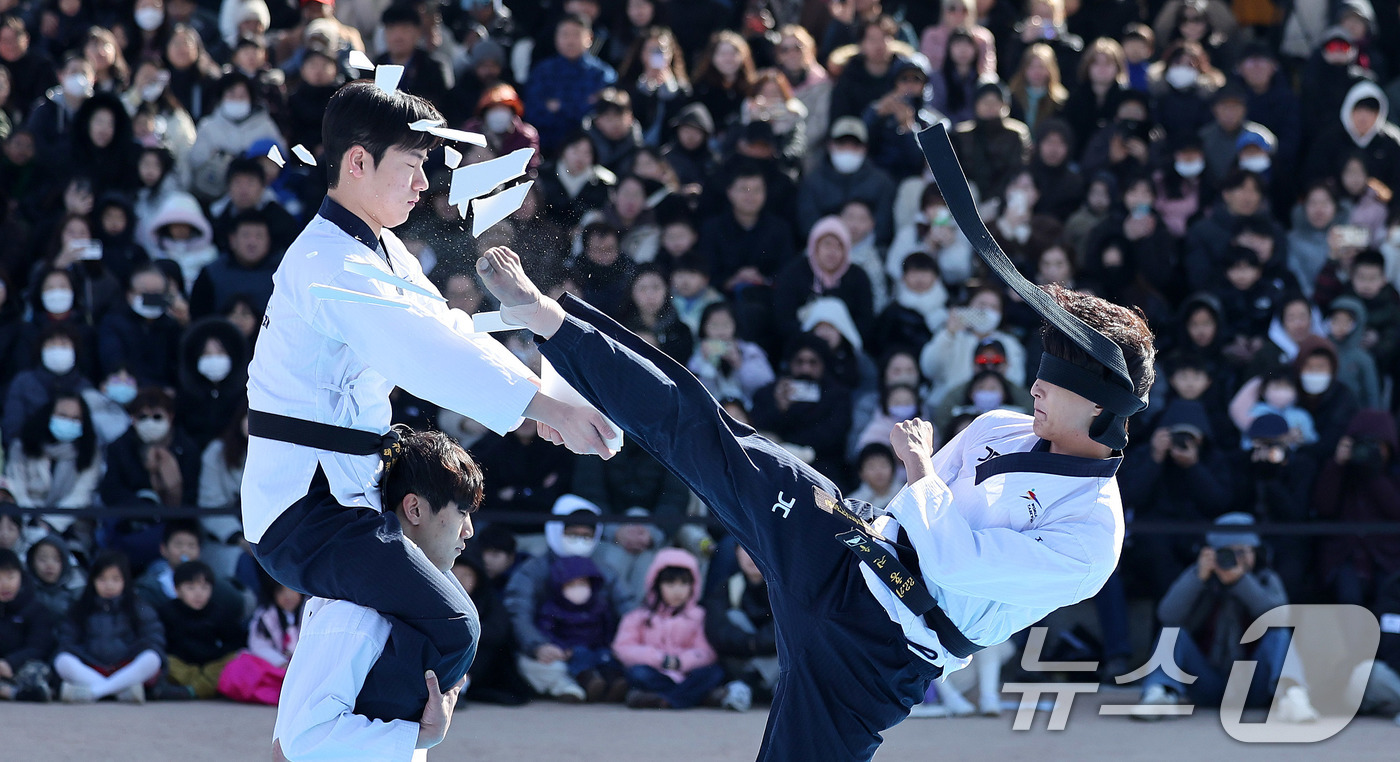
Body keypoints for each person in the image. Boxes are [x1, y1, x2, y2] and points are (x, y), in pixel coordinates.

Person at [474, 243, 1154, 760]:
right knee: (705, 431)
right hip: (844, 544)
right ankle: (551, 320)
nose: (1034, 385)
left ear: (1102, 406)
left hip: (878, 655)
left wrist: (919, 471)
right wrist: (912, 489)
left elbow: (954, 561)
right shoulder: (1001, 426)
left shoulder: (1091, 534)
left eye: (1054, 379)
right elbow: (912, 515)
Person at [240, 80, 615, 720]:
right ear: (357, 162)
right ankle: (371, 734)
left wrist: (549, 400)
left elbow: (448, 329)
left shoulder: (378, 248)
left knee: (424, 619)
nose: (423, 185)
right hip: (304, 508)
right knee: (452, 622)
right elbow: (423, 353)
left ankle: (337, 736)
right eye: (412, 166)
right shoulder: (330, 263)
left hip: (343, 490)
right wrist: (545, 408)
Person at [271, 428, 479, 759]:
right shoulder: (352, 613)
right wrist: (418, 736)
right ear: (414, 509)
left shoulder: (386, 606)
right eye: (462, 511)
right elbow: (302, 740)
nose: (468, 530)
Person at [1130, 513, 1320, 723]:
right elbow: (1167, 615)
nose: (1237, 559)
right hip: (1207, 682)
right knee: (1172, 634)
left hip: (1253, 684)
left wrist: (1241, 582)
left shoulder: (1265, 578)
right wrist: (1197, 579)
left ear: (1255, 552)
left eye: (1244, 551)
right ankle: (1158, 693)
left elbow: (1281, 618)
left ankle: (1292, 696)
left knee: (1279, 635)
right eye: (1230, 552)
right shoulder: (1200, 578)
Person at [612, 547, 724, 709]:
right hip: (656, 671)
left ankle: (663, 700)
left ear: (693, 586)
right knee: (637, 673)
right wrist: (659, 659)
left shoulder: (699, 616)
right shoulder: (639, 616)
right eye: (670, 583)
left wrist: (681, 662)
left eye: (684, 583)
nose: (677, 591)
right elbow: (622, 647)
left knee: (714, 673)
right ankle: (693, 697)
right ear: (656, 584)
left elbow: (707, 651)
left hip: (687, 673)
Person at [53, 550, 164, 704]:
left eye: (115, 579)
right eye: (102, 579)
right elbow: (67, 641)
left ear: (125, 581)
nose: (109, 585)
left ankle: (93, 692)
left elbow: (152, 637)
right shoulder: (80, 607)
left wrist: (136, 652)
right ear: (93, 581)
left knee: (152, 658)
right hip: (91, 666)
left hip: (125, 667)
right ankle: (120, 692)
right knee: (62, 660)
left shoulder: (139, 606)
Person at [156, 560, 246, 699]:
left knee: (233, 660)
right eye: (191, 588)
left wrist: (218, 654)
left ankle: (190, 691)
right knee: (165, 662)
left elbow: (235, 641)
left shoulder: (218, 612)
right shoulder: (167, 612)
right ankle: (203, 688)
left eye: (204, 588)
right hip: (181, 664)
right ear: (177, 590)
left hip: (210, 664)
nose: (198, 594)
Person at [0, 548, 56, 702]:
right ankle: (11, 693)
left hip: (20, 666)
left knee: (37, 671)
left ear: (21, 577)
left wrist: (11, 662)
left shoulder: (35, 609)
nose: (5, 584)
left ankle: (12, 691)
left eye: (10, 577)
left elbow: (39, 646)